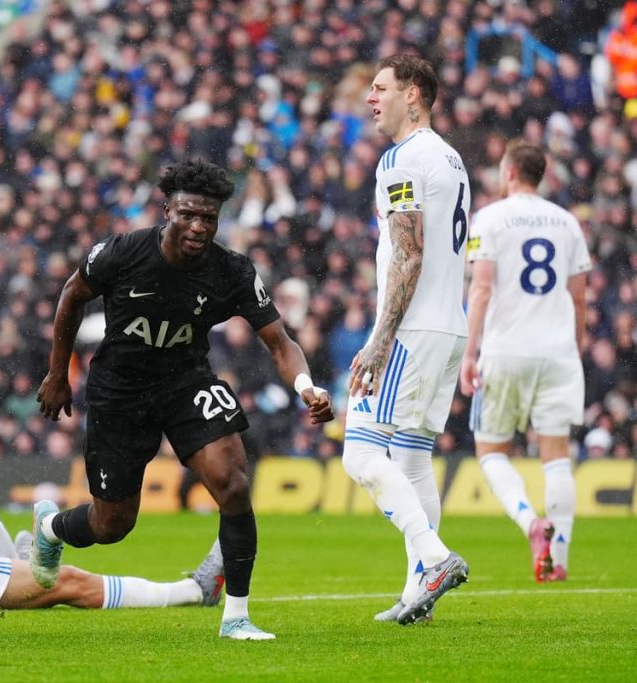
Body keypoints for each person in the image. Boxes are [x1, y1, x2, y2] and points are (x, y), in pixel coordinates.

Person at [35, 158, 335, 640]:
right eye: (188, 214)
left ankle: (236, 616)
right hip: (120, 389)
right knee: (112, 525)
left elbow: (281, 343)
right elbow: (72, 295)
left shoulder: (231, 271)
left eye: (209, 218)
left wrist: (306, 387)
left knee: (233, 484)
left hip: (185, 380)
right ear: (167, 210)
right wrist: (56, 374)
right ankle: (51, 529)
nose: (199, 226)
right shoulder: (123, 252)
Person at [0, 341, 225, 613]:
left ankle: (32, 556)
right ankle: (194, 592)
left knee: (49, 577)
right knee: (64, 580)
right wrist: (21, 571)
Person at [343, 54, 471, 626]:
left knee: (361, 454)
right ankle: (417, 591)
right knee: (414, 460)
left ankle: (435, 557)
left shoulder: (402, 159)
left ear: (412, 94)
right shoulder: (451, 157)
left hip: (412, 328)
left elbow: (410, 251)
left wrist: (380, 338)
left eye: (380, 88)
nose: (371, 99)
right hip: (450, 325)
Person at [459, 141, 590, 583]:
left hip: (506, 350)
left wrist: (470, 351)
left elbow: (481, 289)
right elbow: (578, 296)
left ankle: (529, 522)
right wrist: (573, 346)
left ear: (510, 172)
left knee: (491, 450)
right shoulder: (568, 222)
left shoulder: (491, 218)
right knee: (556, 457)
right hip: (558, 354)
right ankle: (561, 559)